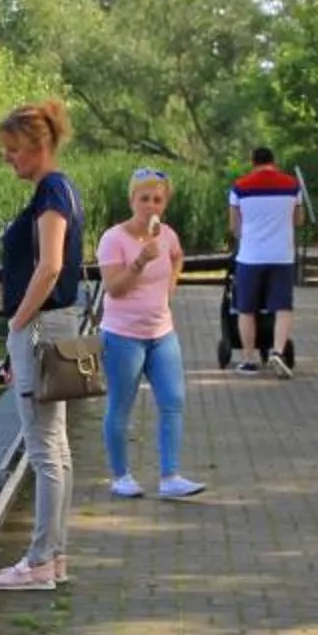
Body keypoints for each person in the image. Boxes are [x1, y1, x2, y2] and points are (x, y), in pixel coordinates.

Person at [0, 98, 85, 591]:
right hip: (59, 325)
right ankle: (55, 556)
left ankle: (41, 560)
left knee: (44, 449)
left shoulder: (51, 194)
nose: (8, 159)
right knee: (57, 447)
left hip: (43, 325)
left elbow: (50, 266)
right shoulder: (61, 189)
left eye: (12, 150)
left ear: (37, 146)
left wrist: (16, 325)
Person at [96, 166, 203, 500]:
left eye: (158, 199)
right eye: (144, 198)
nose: (151, 206)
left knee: (173, 401)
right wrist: (140, 261)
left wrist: (170, 286)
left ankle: (170, 476)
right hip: (122, 335)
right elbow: (113, 288)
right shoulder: (114, 239)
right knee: (121, 405)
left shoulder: (167, 234)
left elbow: (177, 256)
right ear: (132, 200)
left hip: (162, 334)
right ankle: (120, 476)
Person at [227, 146, 307, 374]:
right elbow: (299, 220)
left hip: (250, 256)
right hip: (282, 256)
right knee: (282, 306)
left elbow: (234, 226)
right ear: (274, 161)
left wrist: (245, 235)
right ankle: (278, 352)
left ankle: (249, 360)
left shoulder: (240, 187)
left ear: (253, 162)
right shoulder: (292, 185)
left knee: (246, 309)